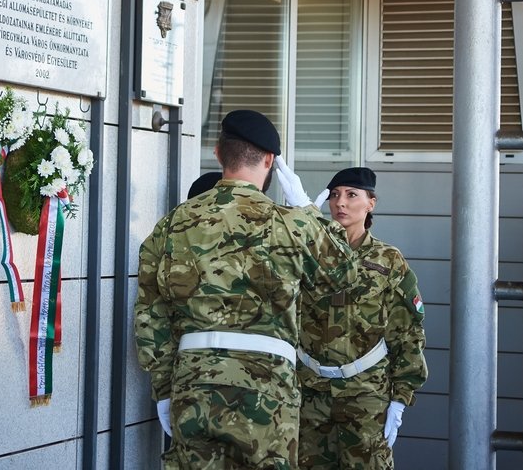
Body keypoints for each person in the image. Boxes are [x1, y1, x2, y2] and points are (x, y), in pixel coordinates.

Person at [134, 109, 361, 469]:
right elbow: (347, 278)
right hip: (267, 389)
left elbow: (150, 314)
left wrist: (164, 389)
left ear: (218, 153)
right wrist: (307, 210)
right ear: (270, 160)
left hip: (194, 384)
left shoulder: (173, 223)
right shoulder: (292, 224)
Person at [296, 167, 427, 469]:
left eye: (351, 195)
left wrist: (400, 396)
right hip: (311, 392)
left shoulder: (388, 260)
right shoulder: (308, 254)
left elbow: (407, 330)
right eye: (334, 195)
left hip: (366, 394)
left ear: (371, 203)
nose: (340, 202)